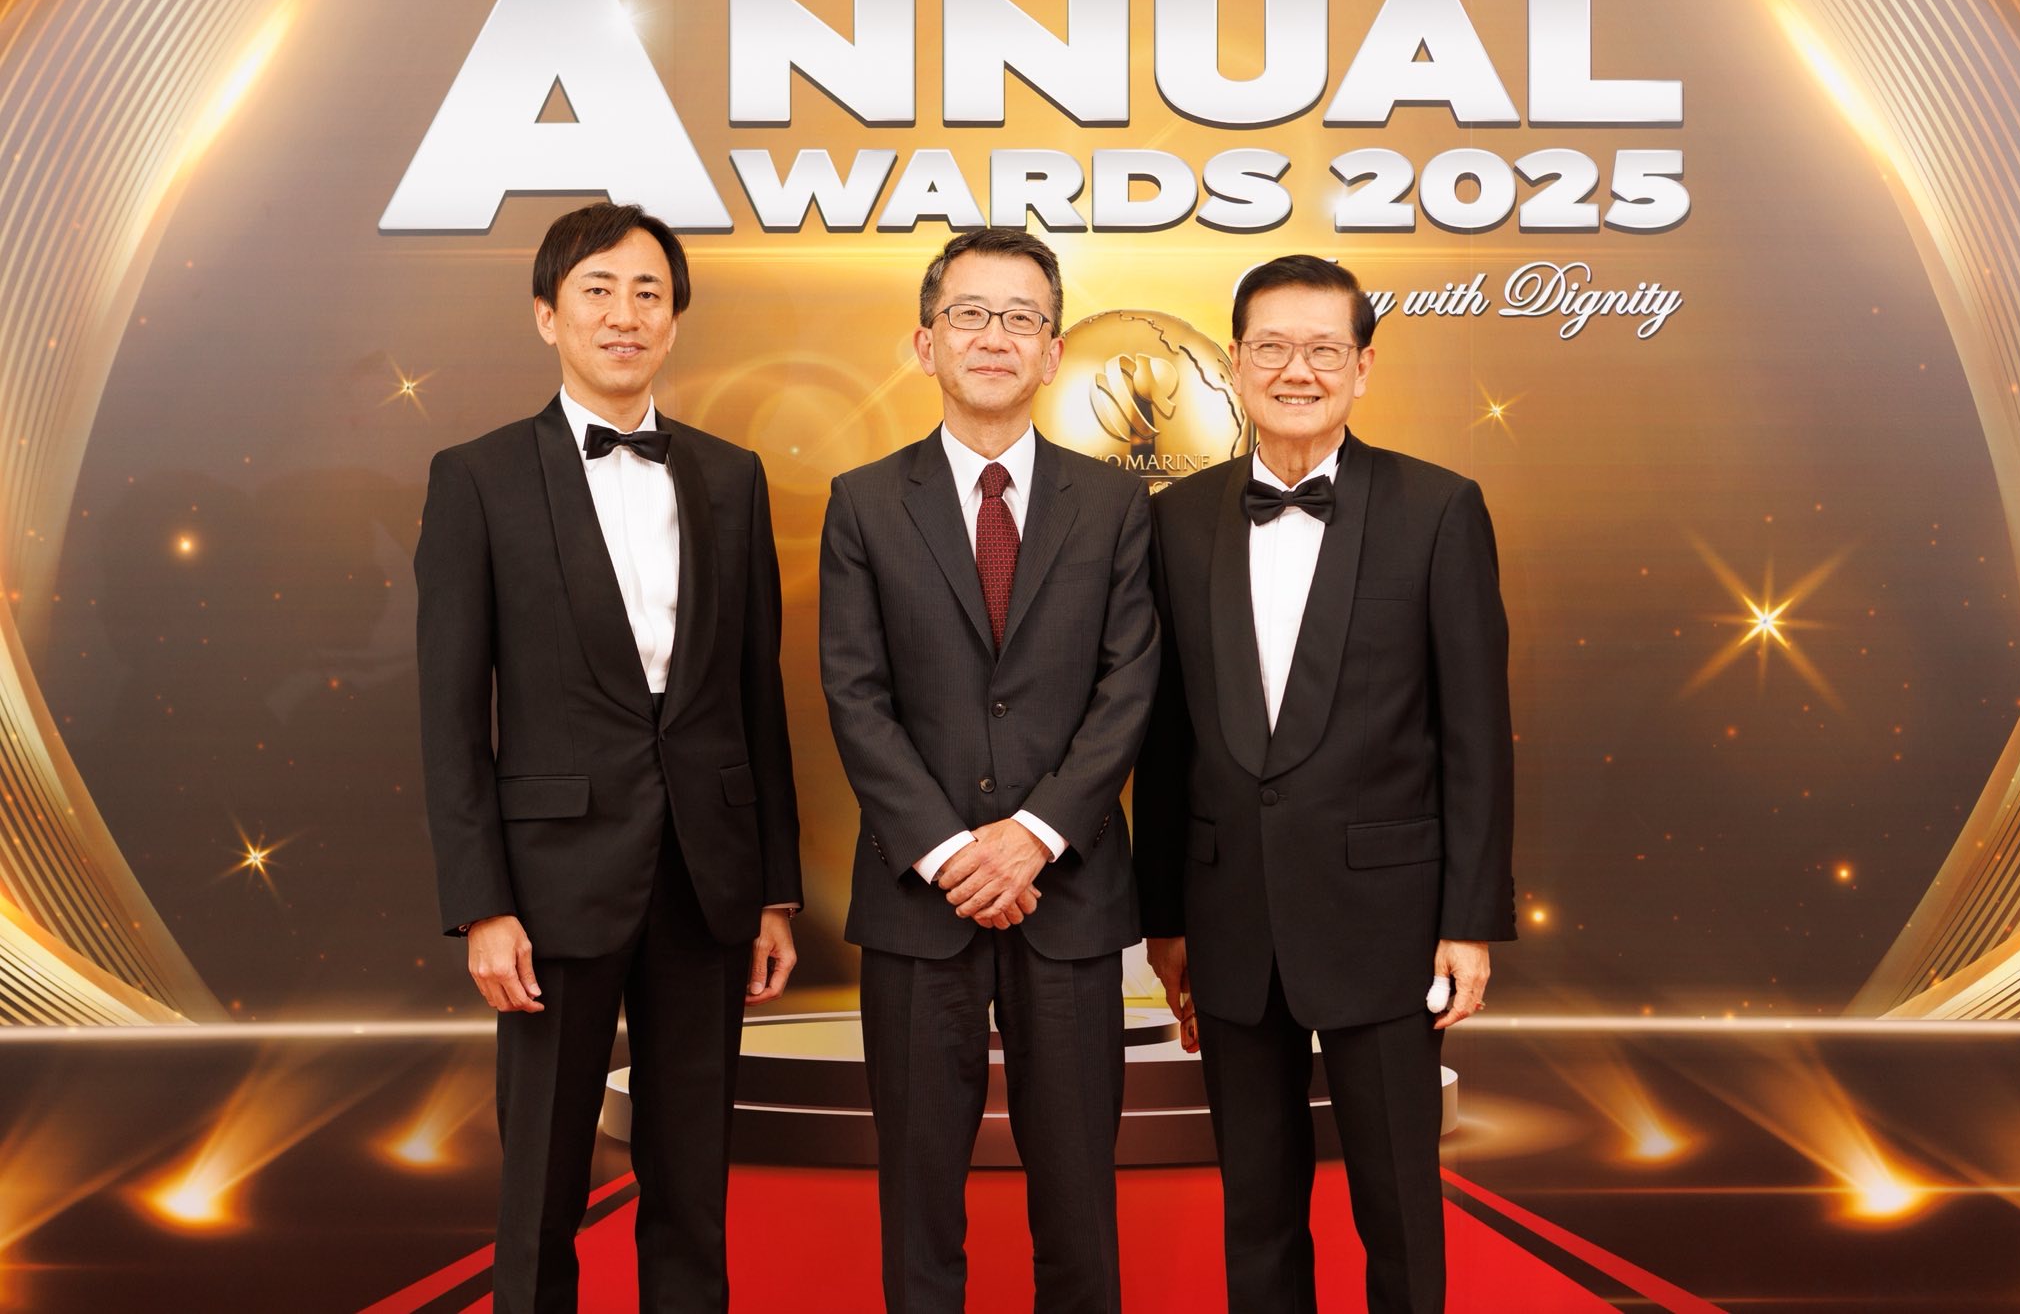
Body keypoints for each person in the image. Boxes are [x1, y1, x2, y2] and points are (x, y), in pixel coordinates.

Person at [415, 200, 803, 1313]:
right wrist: (482, 905)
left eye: (648, 294)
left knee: (692, 1184)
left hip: (706, 878)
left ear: (673, 319)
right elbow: (451, 715)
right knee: (540, 1187)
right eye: (598, 291)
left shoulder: (730, 476)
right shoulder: (478, 477)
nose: (624, 315)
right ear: (547, 314)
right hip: (549, 889)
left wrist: (772, 891)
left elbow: (756, 696)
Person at [1133, 255, 1515, 1313]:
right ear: (1233, 360)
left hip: (1389, 923)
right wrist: (1165, 917)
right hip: (1227, 923)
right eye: (1270, 347)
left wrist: (1469, 921)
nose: (1294, 371)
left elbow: (1476, 734)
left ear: (1362, 365)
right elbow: (1163, 739)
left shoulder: (1438, 508)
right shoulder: (1176, 518)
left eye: (1322, 349)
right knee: (1255, 1211)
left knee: (1397, 1208)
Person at [818, 228, 1159, 1313]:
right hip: (919, 901)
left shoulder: (1114, 504)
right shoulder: (864, 500)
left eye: (1021, 318)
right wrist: (952, 852)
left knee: (1079, 1195)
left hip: (1071, 894)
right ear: (925, 343)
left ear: (1053, 352)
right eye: (969, 313)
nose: (994, 337)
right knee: (919, 1199)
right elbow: (854, 694)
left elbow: (1129, 687)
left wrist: (1033, 837)